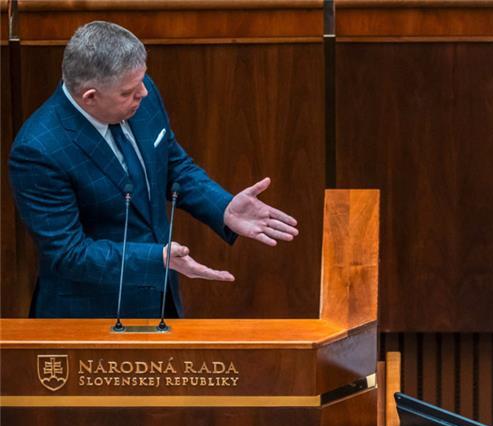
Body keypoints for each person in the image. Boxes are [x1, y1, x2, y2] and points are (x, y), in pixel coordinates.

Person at [9, 21, 299, 318]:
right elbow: (68, 253)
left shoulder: (138, 93)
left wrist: (223, 206)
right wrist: (155, 258)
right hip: (93, 315)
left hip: (162, 299)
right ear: (90, 97)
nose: (144, 94)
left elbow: (173, 165)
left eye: (142, 83)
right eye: (129, 93)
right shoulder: (38, 150)